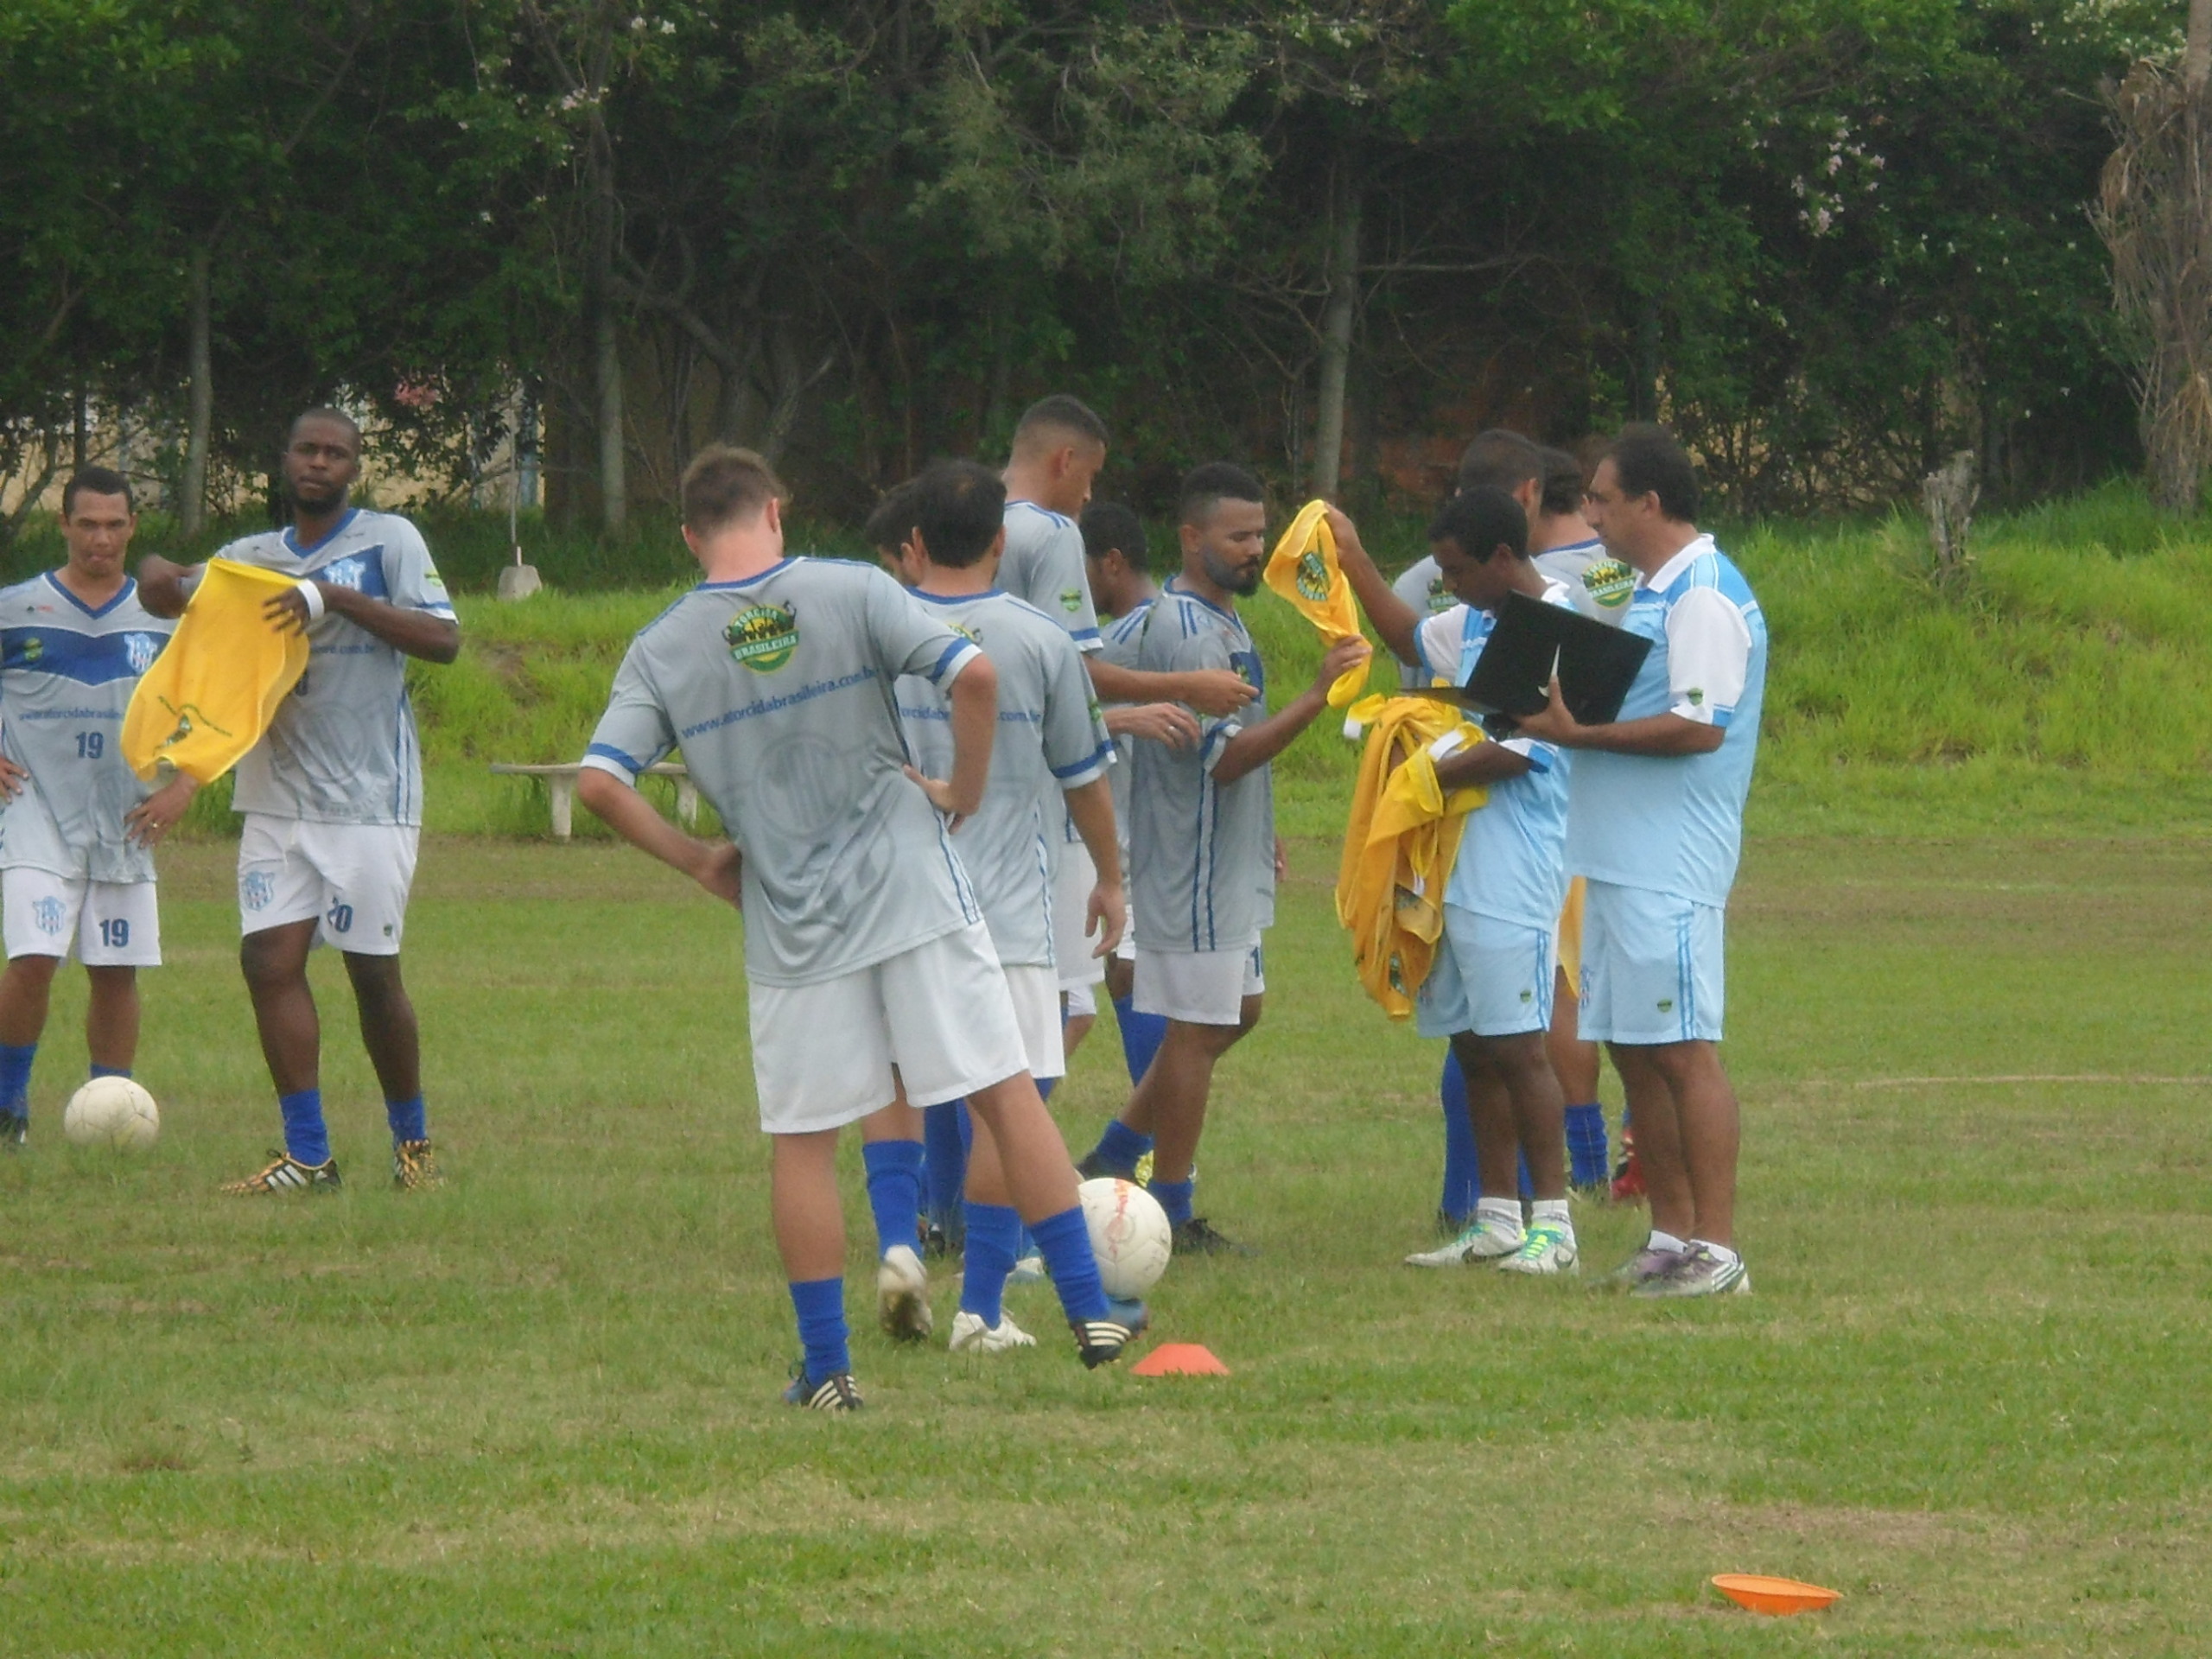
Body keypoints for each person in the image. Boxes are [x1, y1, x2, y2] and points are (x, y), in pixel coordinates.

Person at [576, 445, 1138, 1410]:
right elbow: (974, 676)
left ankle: (830, 1370)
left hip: (793, 924)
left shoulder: (662, 647)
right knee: (1004, 1089)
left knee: (803, 1142)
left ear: (687, 537)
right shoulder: (846, 588)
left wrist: (701, 860)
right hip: (914, 889)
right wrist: (961, 791)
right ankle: (1089, 1312)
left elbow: (598, 782)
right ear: (777, 513)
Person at [138, 410, 460, 1194]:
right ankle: (309, 1155)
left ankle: (412, 1147)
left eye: (335, 453)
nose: (319, 462)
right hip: (277, 799)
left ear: (355, 466)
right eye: (307, 449)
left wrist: (336, 600)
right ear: (284, 459)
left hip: (370, 799)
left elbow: (444, 640)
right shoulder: (250, 557)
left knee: (372, 975)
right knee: (266, 961)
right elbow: (175, 592)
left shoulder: (389, 541)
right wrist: (153, 572)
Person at [869, 460, 1127, 1353]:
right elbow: (1084, 778)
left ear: (911, 542)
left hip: (888, 899)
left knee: (894, 1083)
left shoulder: (873, 624)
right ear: (1000, 541)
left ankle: (900, 1247)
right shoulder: (1038, 638)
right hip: (1005, 910)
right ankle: (981, 1308)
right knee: (1009, 1102)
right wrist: (1110, 875)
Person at [1078, 464, 1368, 1254]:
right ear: (1190, 537)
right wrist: (1318, 694)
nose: (1254, 549)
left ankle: (1112, 1153)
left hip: (1224, 858)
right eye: (1237, 536)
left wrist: (1262, 824)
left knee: (1237, 1013)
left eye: (1259, 534)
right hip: (1193, 868)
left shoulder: (1221, 619)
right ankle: (1170, 1205)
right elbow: (1225, 759)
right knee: (1202, 1027)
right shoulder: (1187, 628)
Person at [1516, 424, 1767, 1298]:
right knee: (1631, 1047)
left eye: (1602, 499)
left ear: (1648, 505)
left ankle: (1720, 1251)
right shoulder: (1655, 592)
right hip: (1617, 861)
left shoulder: (1701, 594)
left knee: (1684, 1053)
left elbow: (1700, 727)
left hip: (1671, 864)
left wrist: (1578, 733)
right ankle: (1670, 1235)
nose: (1590, 513)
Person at [1333, 489, 1582, 1274]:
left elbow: (1531, 750)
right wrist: (1353, 557)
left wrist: (1424, 769)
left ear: (1502, 560)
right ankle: (1497, 1217)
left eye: (1456, 570)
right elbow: (1408, 635)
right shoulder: (1473, 619)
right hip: (1449, 863)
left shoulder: (1561, 625)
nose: (1448, 586)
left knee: (1519, 1045)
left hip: (1514, 862)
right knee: (1473, 1044)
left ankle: (1557, 1226)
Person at [0, 468, 191, 1145]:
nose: (101, 539)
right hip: (32, 811)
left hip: (126, 817)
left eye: (114, 525)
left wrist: (185, 785)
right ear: (64, 526)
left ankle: (110, 1108)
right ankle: (8, 1110)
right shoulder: (15, 606)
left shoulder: (165, 618)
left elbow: (209, 709)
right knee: (33, 959)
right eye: (87, 524)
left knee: (116, 969)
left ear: (133, 527)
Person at [1077, 502, 1185, 1111]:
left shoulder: (1116, 645)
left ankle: (1148, 1145)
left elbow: (1058, 720)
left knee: (1130, 976)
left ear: (1110, 564)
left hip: (1139, 838)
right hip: (1185, 835)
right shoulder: (1189, 621)